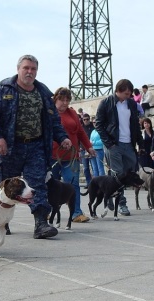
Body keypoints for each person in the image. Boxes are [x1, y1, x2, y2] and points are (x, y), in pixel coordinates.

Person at [0, 54, 72, 239]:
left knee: (37, 184)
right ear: (18, 69)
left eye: (33, 69)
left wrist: (62, 137)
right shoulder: (4, 89)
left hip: (36, 146)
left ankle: (41, 224)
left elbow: (53, 120)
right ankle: (0, 221)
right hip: (10, 146)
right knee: (5, 185)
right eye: (26, 68)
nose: (29, 72)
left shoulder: (44, 93)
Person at [95, 79, 144, 216]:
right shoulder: (106, 103)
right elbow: (98, 124)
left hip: (129, 143)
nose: (128, 96)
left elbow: (136, 125)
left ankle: (109, 193)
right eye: (126, 93)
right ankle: (122, 203)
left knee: (130, 171)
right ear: (118, 91)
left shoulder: (132, 104)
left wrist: (141, 144)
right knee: (118, 175)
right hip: (114, 144)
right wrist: (109, 143)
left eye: (130, 93)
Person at [51, 87, 96, 223]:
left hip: (71, 156)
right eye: (61, 100)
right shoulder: (49, 113)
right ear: (55, 99)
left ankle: (76, 212)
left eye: (67, 100)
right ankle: (47, 210)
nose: (64, 103)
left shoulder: (72, 114)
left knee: (73, 184)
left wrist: (89, 147)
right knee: (50, 185)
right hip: (51, 156)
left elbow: (81, 132)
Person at [81, 113, 95, 187]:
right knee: (86, 168)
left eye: (87, 119)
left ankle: (94, 183)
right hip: (83, 150)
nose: (86, 121)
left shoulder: (93, 127)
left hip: (91, 149)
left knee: (93, 167)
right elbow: (79, 138)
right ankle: (89, 183)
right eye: (84, 119)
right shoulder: (81, 127)